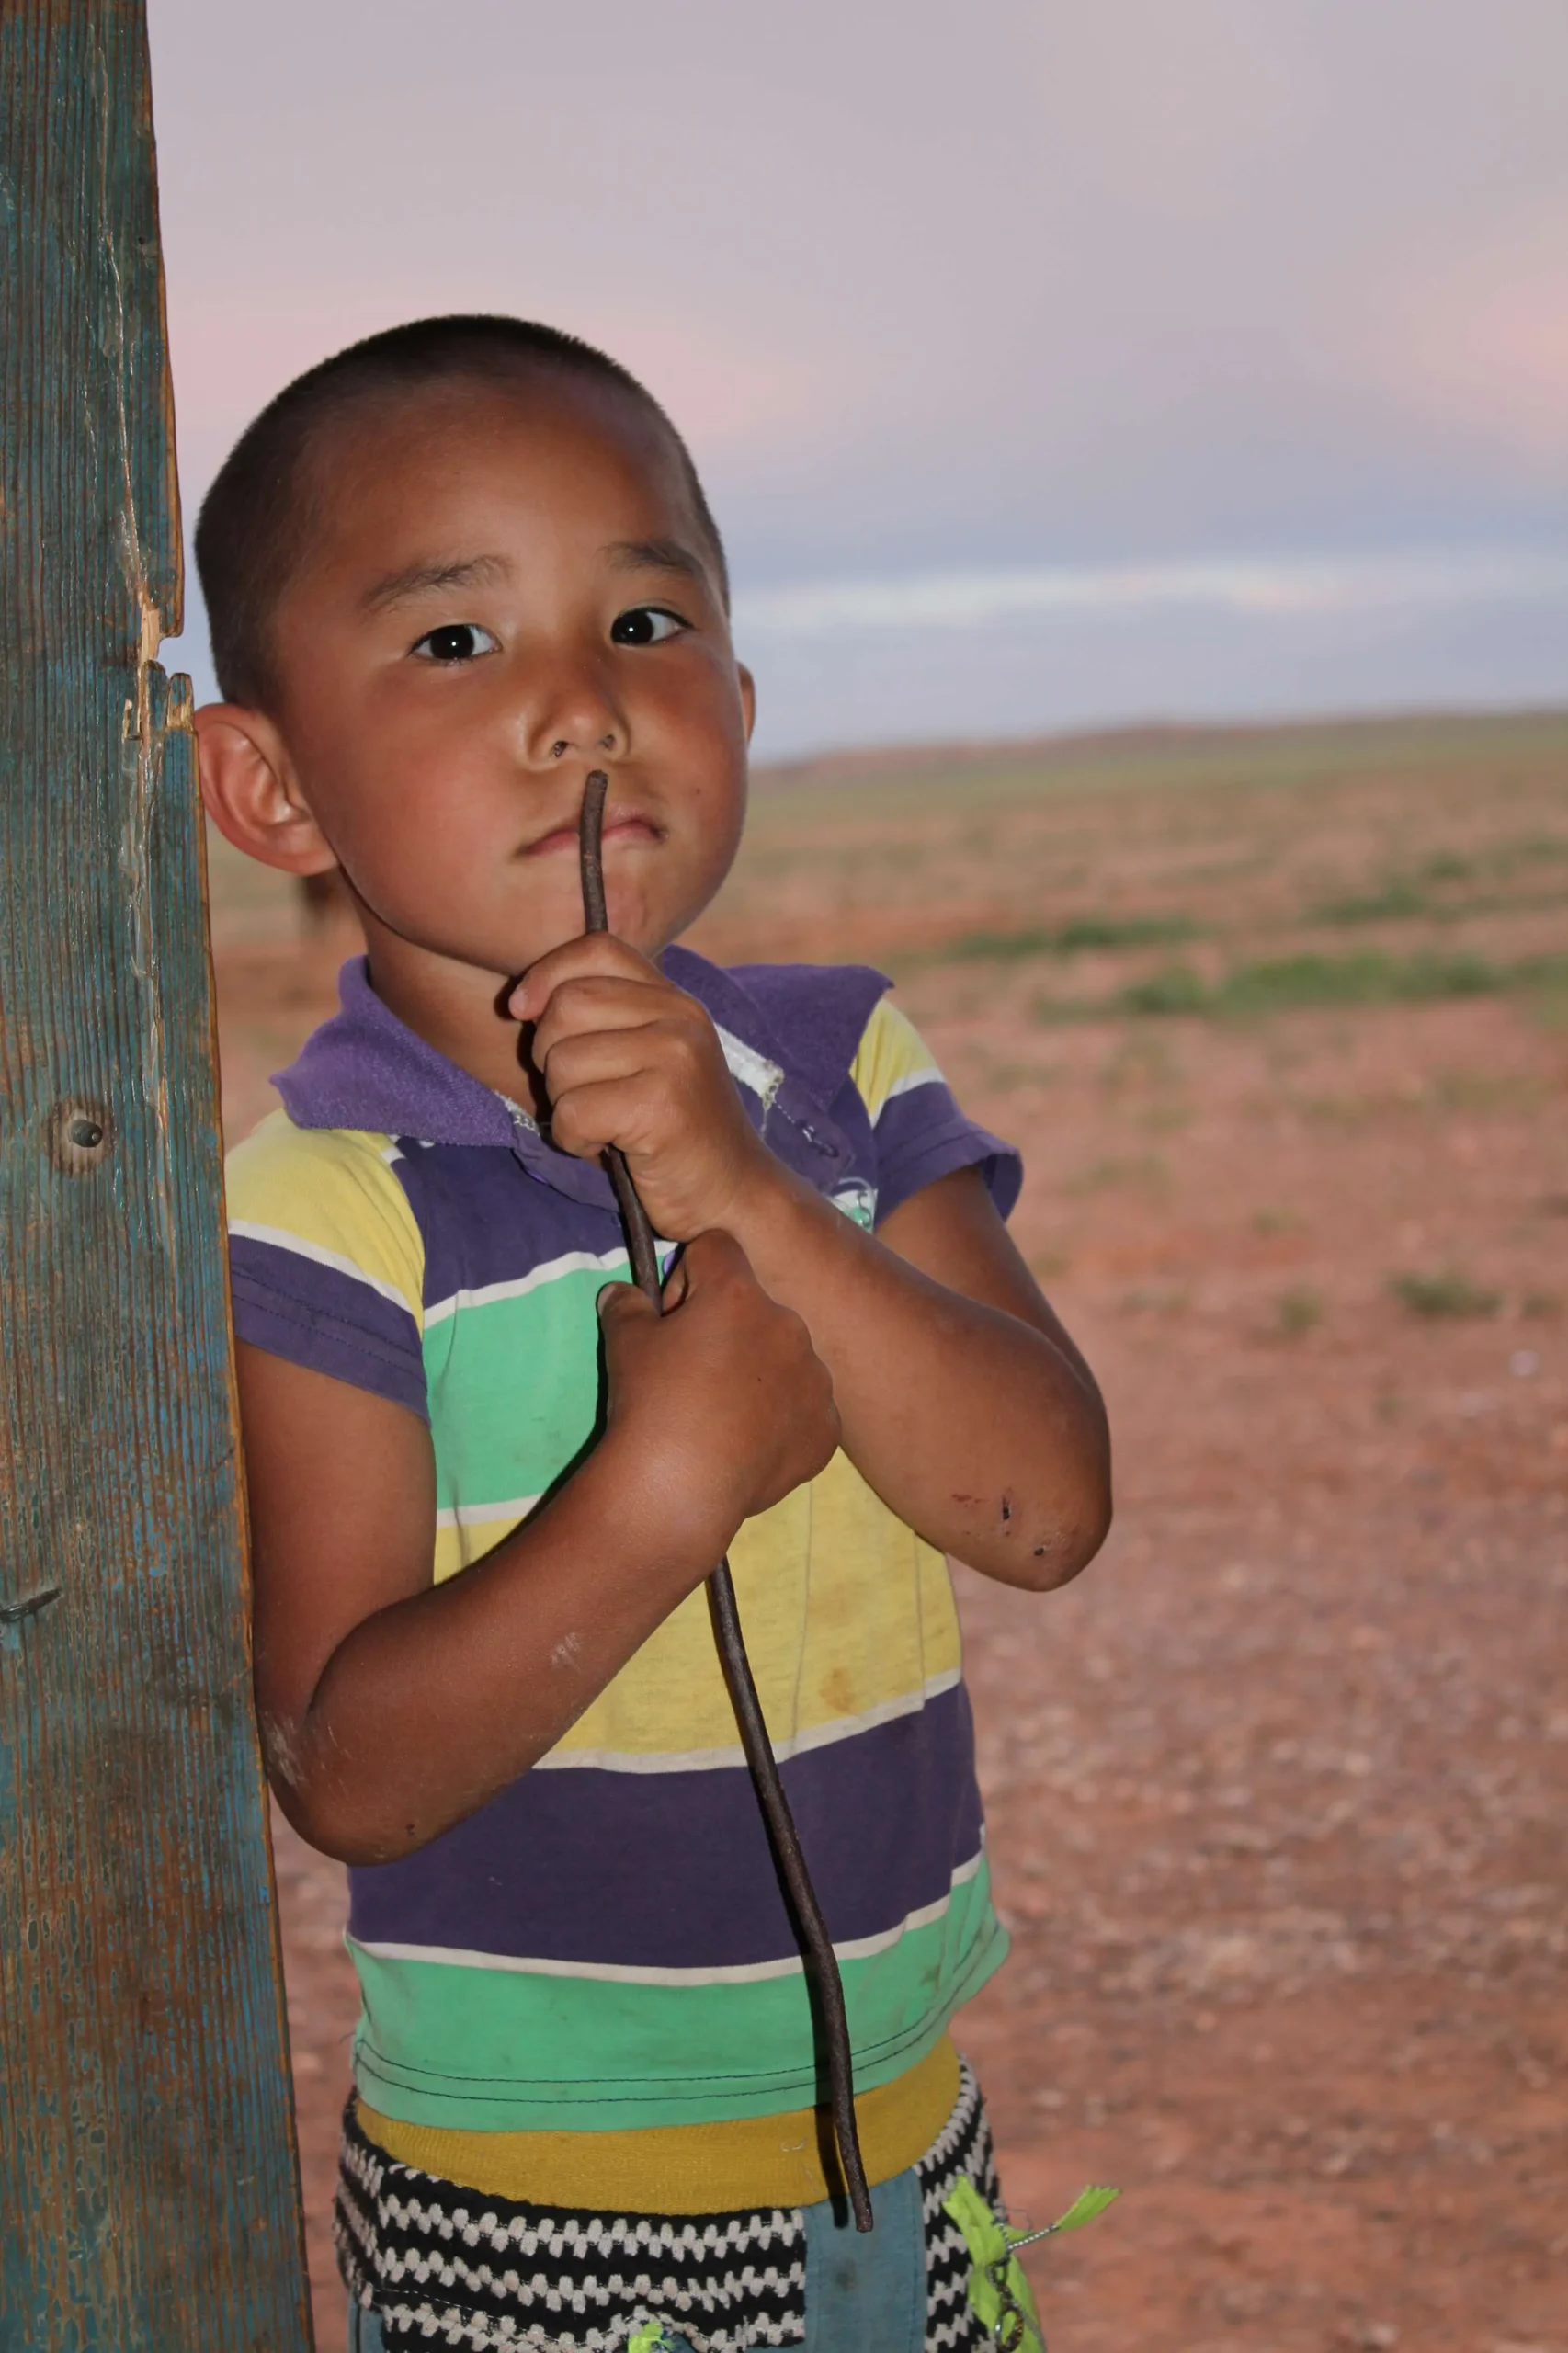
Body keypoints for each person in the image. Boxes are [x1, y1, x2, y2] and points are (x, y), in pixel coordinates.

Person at [196, 315, 1112, 2353]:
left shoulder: (841, 1073)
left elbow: (1045, 1509)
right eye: (455, 640)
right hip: (531, 2206)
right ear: (272, 784)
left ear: (741, 698)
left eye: (642, 621)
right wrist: (667, 1479)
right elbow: (346, 1766)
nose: (579, 711)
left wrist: (751, 1185)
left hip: (913, 2151)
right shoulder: (321, 1210)